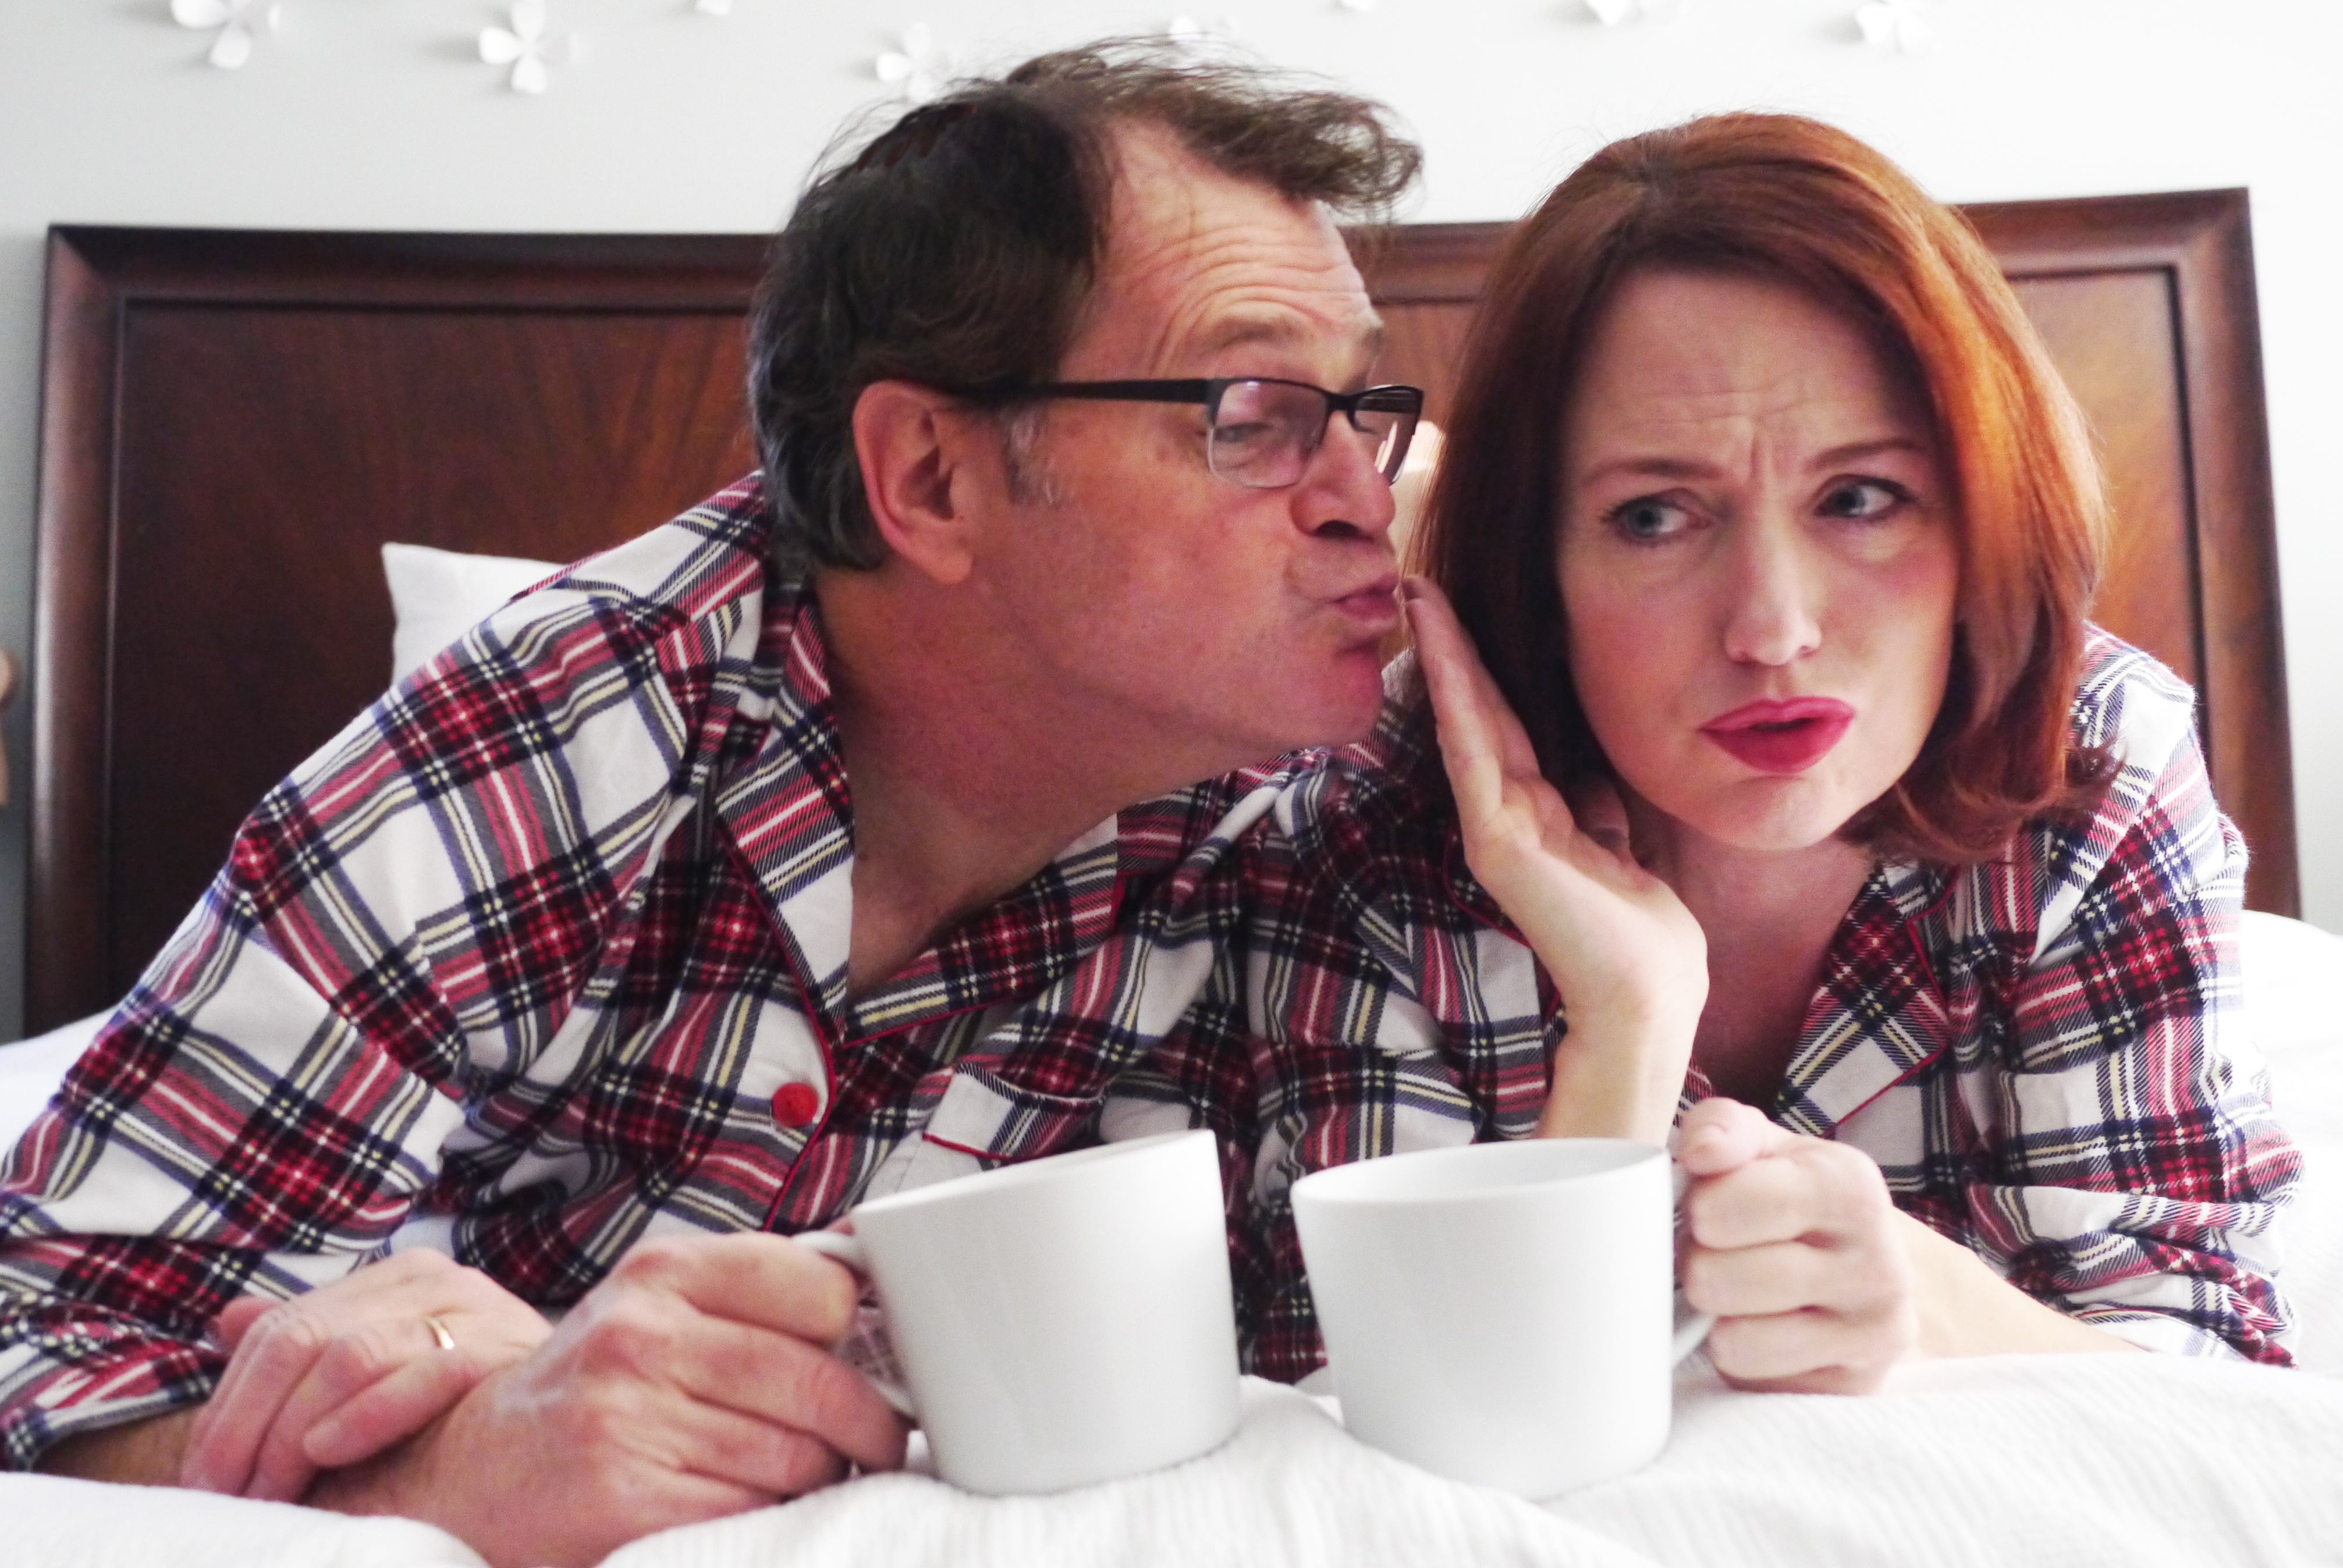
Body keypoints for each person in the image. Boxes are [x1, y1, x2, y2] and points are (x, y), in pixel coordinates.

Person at [0, 42, 1422, 1566]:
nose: (1365, 495)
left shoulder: (1338, 802)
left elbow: (1450, 1318)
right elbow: (43, 1309)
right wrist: (428, 1478)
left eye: (1370, 410)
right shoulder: (570, 728)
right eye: (1260, 409)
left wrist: (1606, 954)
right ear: (931, 479)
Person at [1162, 111, 2300, 1393]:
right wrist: (1627, 1031)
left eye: (1860, 499)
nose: (1773, 628)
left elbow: (2213, 1376)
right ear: (1538, 566)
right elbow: (1370, 1416)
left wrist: (1921, 1298)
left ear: (1984, 514)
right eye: (1653, 518)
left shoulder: (2091, 759)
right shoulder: (1370, 816)